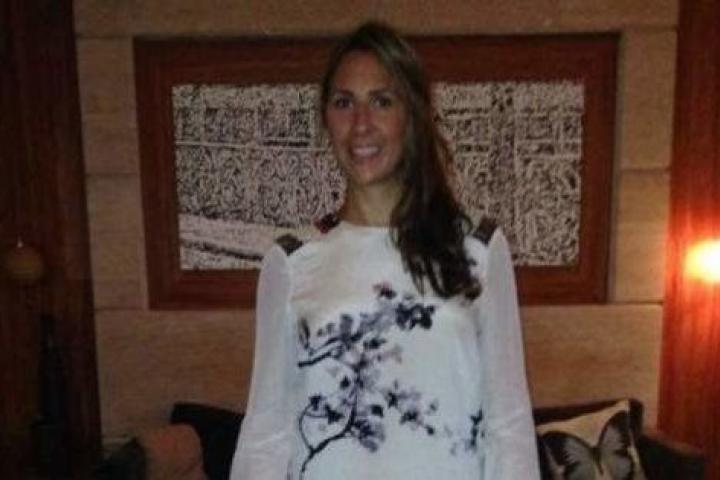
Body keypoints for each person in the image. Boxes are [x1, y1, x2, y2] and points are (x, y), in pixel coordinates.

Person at [230, 22, 540, 480]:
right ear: (326, 118)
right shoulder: (292, 261)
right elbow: (266, 432)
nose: (361, 124)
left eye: (381, 101)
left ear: (411, 115)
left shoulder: (477, 249)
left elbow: (508, 426)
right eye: (343, 102)